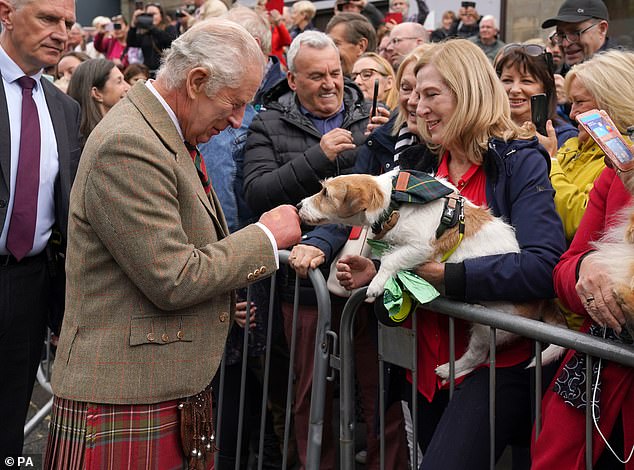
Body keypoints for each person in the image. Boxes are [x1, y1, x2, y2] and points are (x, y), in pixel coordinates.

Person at [44, 19, 302, 470]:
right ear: (197, 80)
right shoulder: (129, 143)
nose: (239, 119)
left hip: (158, 386)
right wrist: (264, 238)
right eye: (235, 102)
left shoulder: (162, 132)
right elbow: (173, 277)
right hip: (123, 394)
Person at [336, 39, 566, 469]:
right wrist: (378, 272)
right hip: (423, 369)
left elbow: (542, 266)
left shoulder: (519, 161)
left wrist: (447, 277)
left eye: (431, 95)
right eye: (415, 95)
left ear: (468, 93)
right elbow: (404, 267)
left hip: (496, 367)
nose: (416, 107)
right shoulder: (419, 166)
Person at [244, 31, 409, 470]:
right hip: (301, 285)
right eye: (316, 76)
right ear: (293, 79)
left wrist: (385, 139)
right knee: (311, 393)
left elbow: (390, 195)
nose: (330, 84)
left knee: (381, 393)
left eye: (336, 72)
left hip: (367, 281)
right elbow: (257, 194)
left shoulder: (370, 115)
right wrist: (317, 156)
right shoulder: (268, 123)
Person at [0, 0, 82, 462]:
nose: (62, 33)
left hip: (30, 286)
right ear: (6, 13)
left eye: (67, 23)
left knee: (11, 422)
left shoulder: (64, 108)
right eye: (48, 19)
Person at [531, 168, 634, 469]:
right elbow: (565, 270)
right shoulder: (617, 174)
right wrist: (584, 268)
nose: (576, 116)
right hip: (593, 382)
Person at [542, 50, 634, 242]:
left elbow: (578, 221)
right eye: (571, 103)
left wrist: (551, 161)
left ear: (612, 102)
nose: (573, 114)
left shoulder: (623, 157)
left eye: (580, 102)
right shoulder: (572, 143)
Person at [495, 43, 578, 148]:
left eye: (526, 81)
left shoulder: (564, 136)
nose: (514, 89)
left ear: (546, 87)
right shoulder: (485, 131)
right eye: (507, 80)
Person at [542, 0, 616, 75]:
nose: (565, 44)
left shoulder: (621, 74)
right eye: (560, 34)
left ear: (602, 29)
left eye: (575, 33)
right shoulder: (559, 75)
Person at [66, 58, 131, 144]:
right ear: (97, 94)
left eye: (124, 80)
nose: (128, 87)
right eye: (119, 82)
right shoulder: (106, 140)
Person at [127, 2, 178, 77]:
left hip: (165, 73)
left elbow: (169, 40)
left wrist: (151, 27)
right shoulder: (145, 33)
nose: (150, 17)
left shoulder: (169, 28)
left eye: (153, 14)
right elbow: (131, 42)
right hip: (148, 73)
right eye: (148, 15)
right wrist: (133, 24)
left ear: (161, 15)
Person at [326, 12, 377, 77]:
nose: (329, 51)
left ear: (361, 46)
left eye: (336, 44)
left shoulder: (382, 85)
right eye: (329, 44)